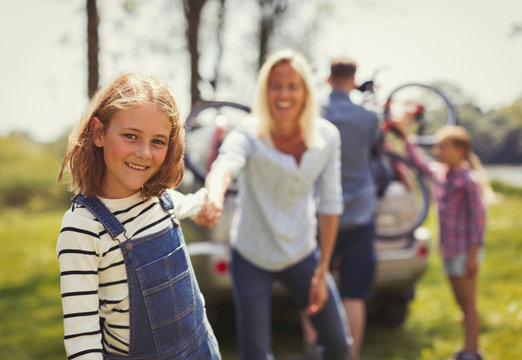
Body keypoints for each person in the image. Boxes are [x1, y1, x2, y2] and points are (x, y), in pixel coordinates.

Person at [195, 49, 351, 360]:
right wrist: (214, 194)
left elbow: (330, 205)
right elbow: (226, 164)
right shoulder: (249, 134)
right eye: (275, 86)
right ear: (264, 91)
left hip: (302, 254)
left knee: (338, 345)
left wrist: (321, 272)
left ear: (305, 91)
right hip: (252, 255)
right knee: (255, 353)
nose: (283, 94)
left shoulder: (327, 137)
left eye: (292, 86)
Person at [56, 73, 220, 359]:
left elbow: (196, 203)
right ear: (98, 133)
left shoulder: (162, 200)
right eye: (131, 136)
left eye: (158, 141)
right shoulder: (83, 228)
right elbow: (82, 340)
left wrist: (213, 197)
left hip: (201, 347)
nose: (144, 153)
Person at [299, 57, 380, 360]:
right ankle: (351, 355)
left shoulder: (314, 113)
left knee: (314, 283)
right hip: (360, 213)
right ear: (354, 78)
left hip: (320, 214)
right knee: (354, 293)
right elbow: (376, 147)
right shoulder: (369, 117)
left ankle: (312, 351)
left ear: (328, 79)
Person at [392, 121, 488, 360]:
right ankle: (470, 345)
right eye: (437, 147)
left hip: (466, 251)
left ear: (461, 149)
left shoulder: (469, 180)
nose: (438, 152)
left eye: (444, 147)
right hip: (450, 249)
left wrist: (473, 256)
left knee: (468, 302)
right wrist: (406, 136)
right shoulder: (442, 174)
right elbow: (420, 163)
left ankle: (471, 350)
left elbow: (478, 221)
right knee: (460, 301)